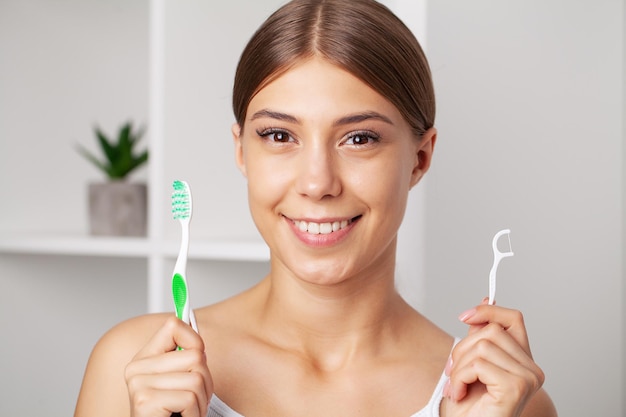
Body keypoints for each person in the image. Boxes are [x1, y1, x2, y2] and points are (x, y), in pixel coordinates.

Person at [74, 1, 558, 416]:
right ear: (242, 152)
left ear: (420, 157)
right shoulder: (133, 368)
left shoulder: (507, 398)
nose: (317, 182)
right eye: (280, 136)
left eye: (359, 138)